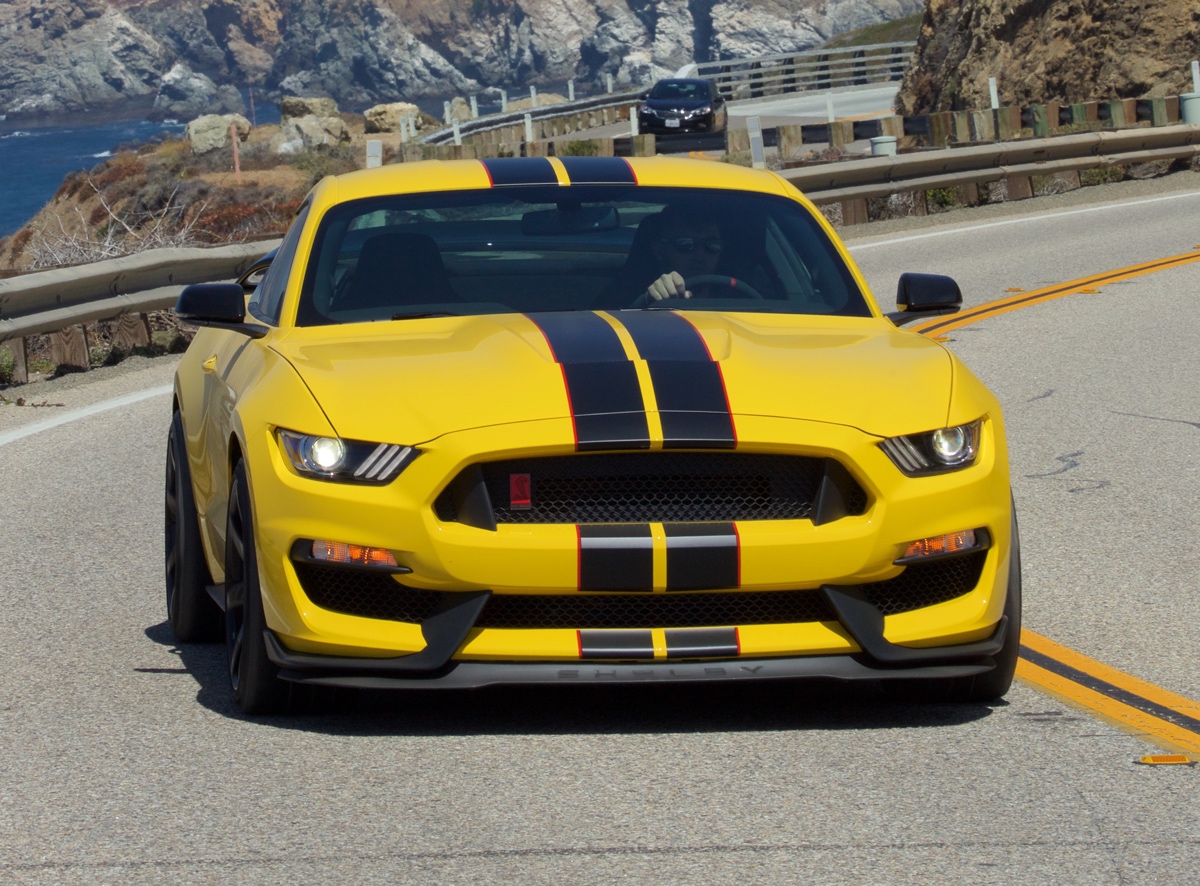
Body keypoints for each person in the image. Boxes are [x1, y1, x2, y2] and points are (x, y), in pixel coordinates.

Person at [642, 204, 725, 303]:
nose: (699, 256)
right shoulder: (632, 302)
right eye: (686, 244)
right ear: (660, 250)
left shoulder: (739, 300)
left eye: (712, 245)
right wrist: (653, 298)